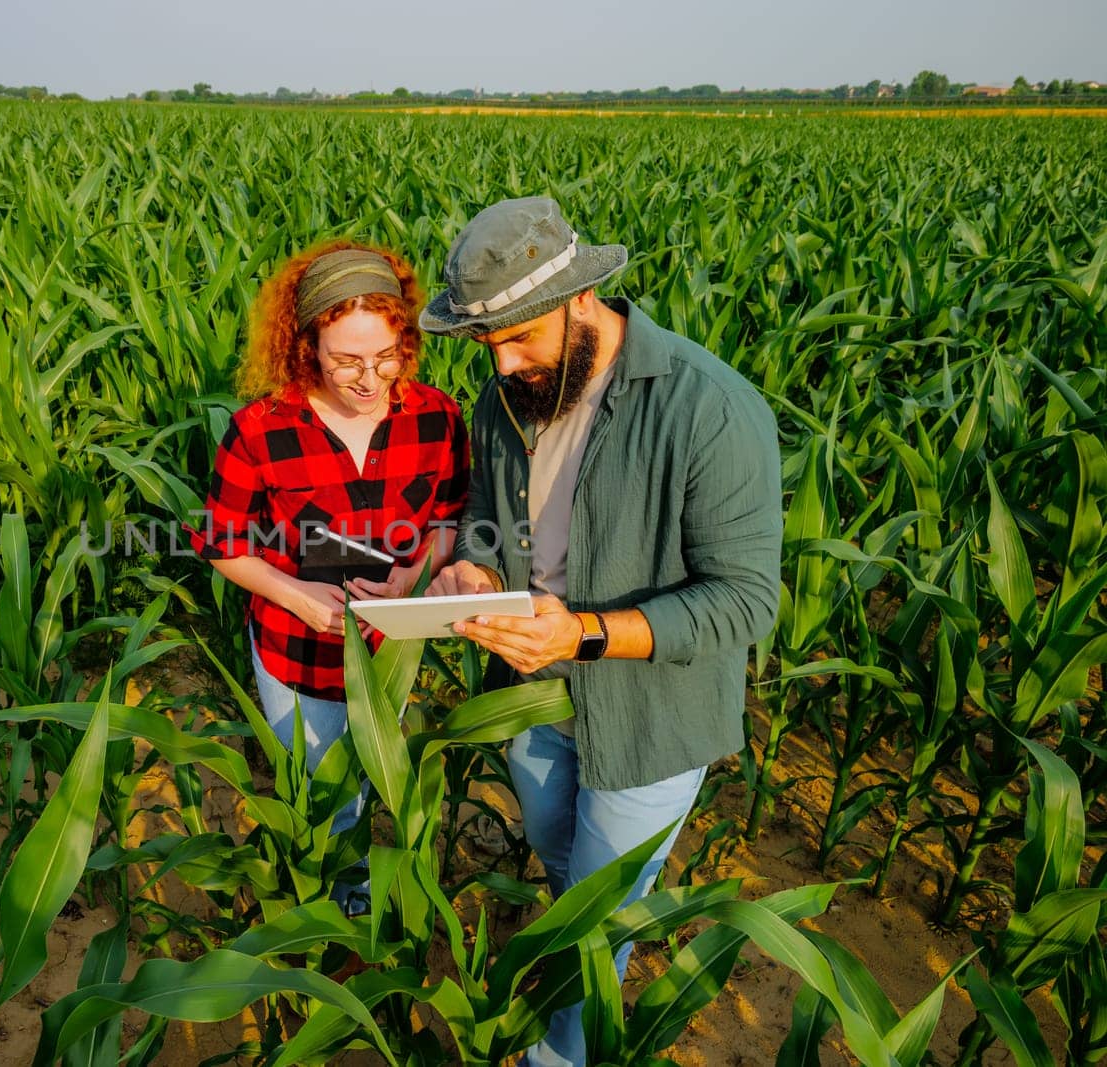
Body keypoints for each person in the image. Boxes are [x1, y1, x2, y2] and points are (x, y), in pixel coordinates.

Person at [420, 197, 781, 1067]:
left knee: (594, 919)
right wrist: (474, 568)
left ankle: (563, 1052)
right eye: (485, 342)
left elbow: (743, 602)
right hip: (535, 696)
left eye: (520, 334)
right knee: (560, 858)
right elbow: (484, 515)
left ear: (583, 299)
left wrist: (580, 633)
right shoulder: (507, 395)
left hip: (647, 716)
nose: (502, 361)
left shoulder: (709, 408)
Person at [189, 240, 469, 909]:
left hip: (389, 648)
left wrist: (412, 579)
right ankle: (336, 898)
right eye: (346, 360)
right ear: (306, 344)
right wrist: (298, 596)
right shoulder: (260, 429)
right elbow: (221, 544)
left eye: (387, 355)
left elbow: (450, 517)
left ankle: (355, 888)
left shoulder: (437, 417)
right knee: (321, 790)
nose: (371, 378)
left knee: (371, 774)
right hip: (297, 650)